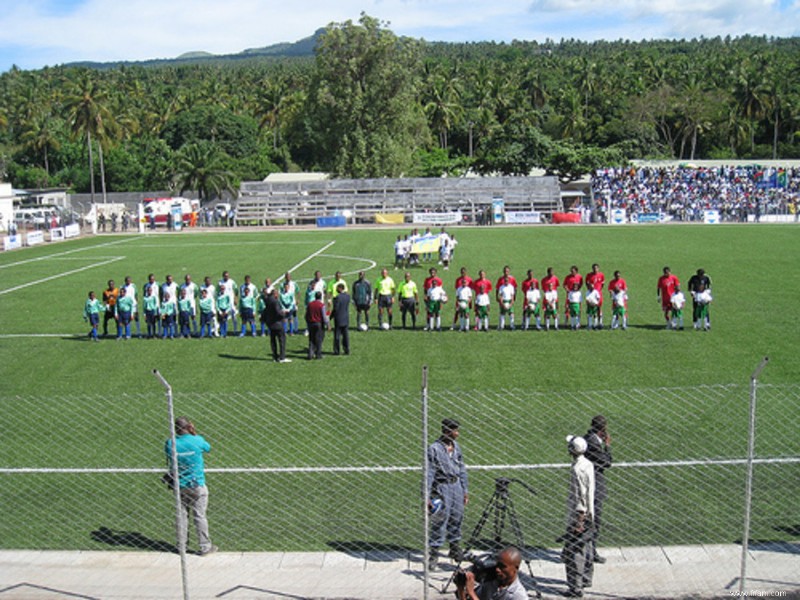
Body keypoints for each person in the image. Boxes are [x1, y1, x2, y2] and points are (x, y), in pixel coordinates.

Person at [164, 416, 217, 556]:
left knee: (181, 517)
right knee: (199, 516)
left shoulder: (170, 443)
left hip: (179, 486)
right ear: (189, 426)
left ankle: (182, 547)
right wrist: (194, 433)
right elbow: (208, 448)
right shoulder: (197, 440)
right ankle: (205, 547)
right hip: (197, 484)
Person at [427, 418, 468, 571]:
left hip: (456, 485)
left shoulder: (457, 447)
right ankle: (434, 552)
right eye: (454, 431)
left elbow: (462, 469)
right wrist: (427, 495)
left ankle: (454, 547)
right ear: (447, 431)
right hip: (442, 487)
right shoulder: (434, 449)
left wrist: (465, 490)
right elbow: (429, 473)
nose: (457, 433)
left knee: (457, 517)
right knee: (440, 519)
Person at [562, 434, 595, 597]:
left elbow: (580, 496)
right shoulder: (588, 464)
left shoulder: (577, 469)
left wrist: (578, 521)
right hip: (591, 513)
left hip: (579, 516)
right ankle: (587, 578)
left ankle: (576, 587)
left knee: (574, 552)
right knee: (587, 547)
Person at [584, 415, 612, 564]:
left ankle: (568, 550)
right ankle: (591, 551)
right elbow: (607, 462)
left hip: (591, 484)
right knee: (594, 520)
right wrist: (607, 446)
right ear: (603, 429)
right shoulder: (593, 443)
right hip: (594, 485)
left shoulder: (588, 438)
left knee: (584, 519)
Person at [456, 546, 528, 600]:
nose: (497, 569)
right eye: (497, 565)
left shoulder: (518, 596)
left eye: (502, 567)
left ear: (516, 568)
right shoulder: (493, 580)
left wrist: (471, 592)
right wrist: (461, 587)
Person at [264, 288, 291, 362]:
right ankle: (282, 357)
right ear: (275, 294)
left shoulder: (268, 300)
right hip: (277, 323)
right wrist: (283, 314)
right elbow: (277, 312)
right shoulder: (275, 301)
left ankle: (275, 356)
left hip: (270, 323)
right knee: (282, 340)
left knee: (273, 341)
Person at [305, 290, 326, 359]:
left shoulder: (310, 304)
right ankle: (318, 354)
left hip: (311, 324)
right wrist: (327, 324)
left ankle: (310, 354)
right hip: (318, 324)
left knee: (311, 339)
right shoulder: (321, 305)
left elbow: (306, 315)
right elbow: (324, 316)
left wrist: (308, 323)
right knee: (318, 339)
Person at [331, 283, 351, 355]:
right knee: (346, 335)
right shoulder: (347, 297)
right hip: (345, 318)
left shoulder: (337, 298)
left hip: (338, 319)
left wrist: (330, 317)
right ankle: (347, 349)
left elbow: (335, 309)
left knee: (337, 336)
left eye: (337, 288)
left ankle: (337, 350)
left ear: (340, 288)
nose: (336, 289)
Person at [585, 264, 606, 329]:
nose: (595, 269)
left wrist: (598, 290)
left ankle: (600, 323)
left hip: (598, 293)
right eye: (594, 268)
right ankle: (591, 324)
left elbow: (603, 284)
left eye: (596, 268)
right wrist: (590, 290)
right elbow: (587, 283)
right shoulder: (589, 275)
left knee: (599, 308)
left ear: (598, 268)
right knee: (590, 308)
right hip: (591, 294)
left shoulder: (601, 275)